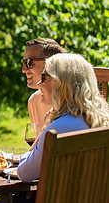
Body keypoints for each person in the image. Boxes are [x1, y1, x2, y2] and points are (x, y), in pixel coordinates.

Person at [16, 54, 109, 201]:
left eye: (44, 78)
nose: (39, 84)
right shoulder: (101, 121)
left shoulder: (59, 128)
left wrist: (44, 129)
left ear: (59, 83)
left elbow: (24, 172)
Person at [21, 38, 65, 128]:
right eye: (23, 63)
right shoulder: (34, 101)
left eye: (29, 62)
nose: (24, 70)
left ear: (51, 63)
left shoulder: (75, 105)